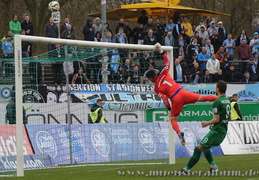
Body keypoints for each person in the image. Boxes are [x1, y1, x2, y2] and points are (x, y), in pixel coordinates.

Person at [145, 43, 218, 146]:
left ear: (151, 79)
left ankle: (179, 133)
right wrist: (161, 52)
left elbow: (165, 100)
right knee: (203, 98)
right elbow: (167, 61)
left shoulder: (156, 88)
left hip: (175, 99)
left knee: (173, 119)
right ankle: (221, 98)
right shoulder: (164, 72)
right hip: (182, 92)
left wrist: (170, 109)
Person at [180, 80, 230, 175]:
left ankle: (186, 170)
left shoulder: (217, 102)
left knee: (198, 148)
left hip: (217, 131)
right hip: (222, 129)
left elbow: (216, 119)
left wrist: (207, 123)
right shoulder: (227, 100)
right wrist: (214, 123)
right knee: (205, 146)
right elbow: (229, 117)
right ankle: (213, 166)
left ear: (218, 89)